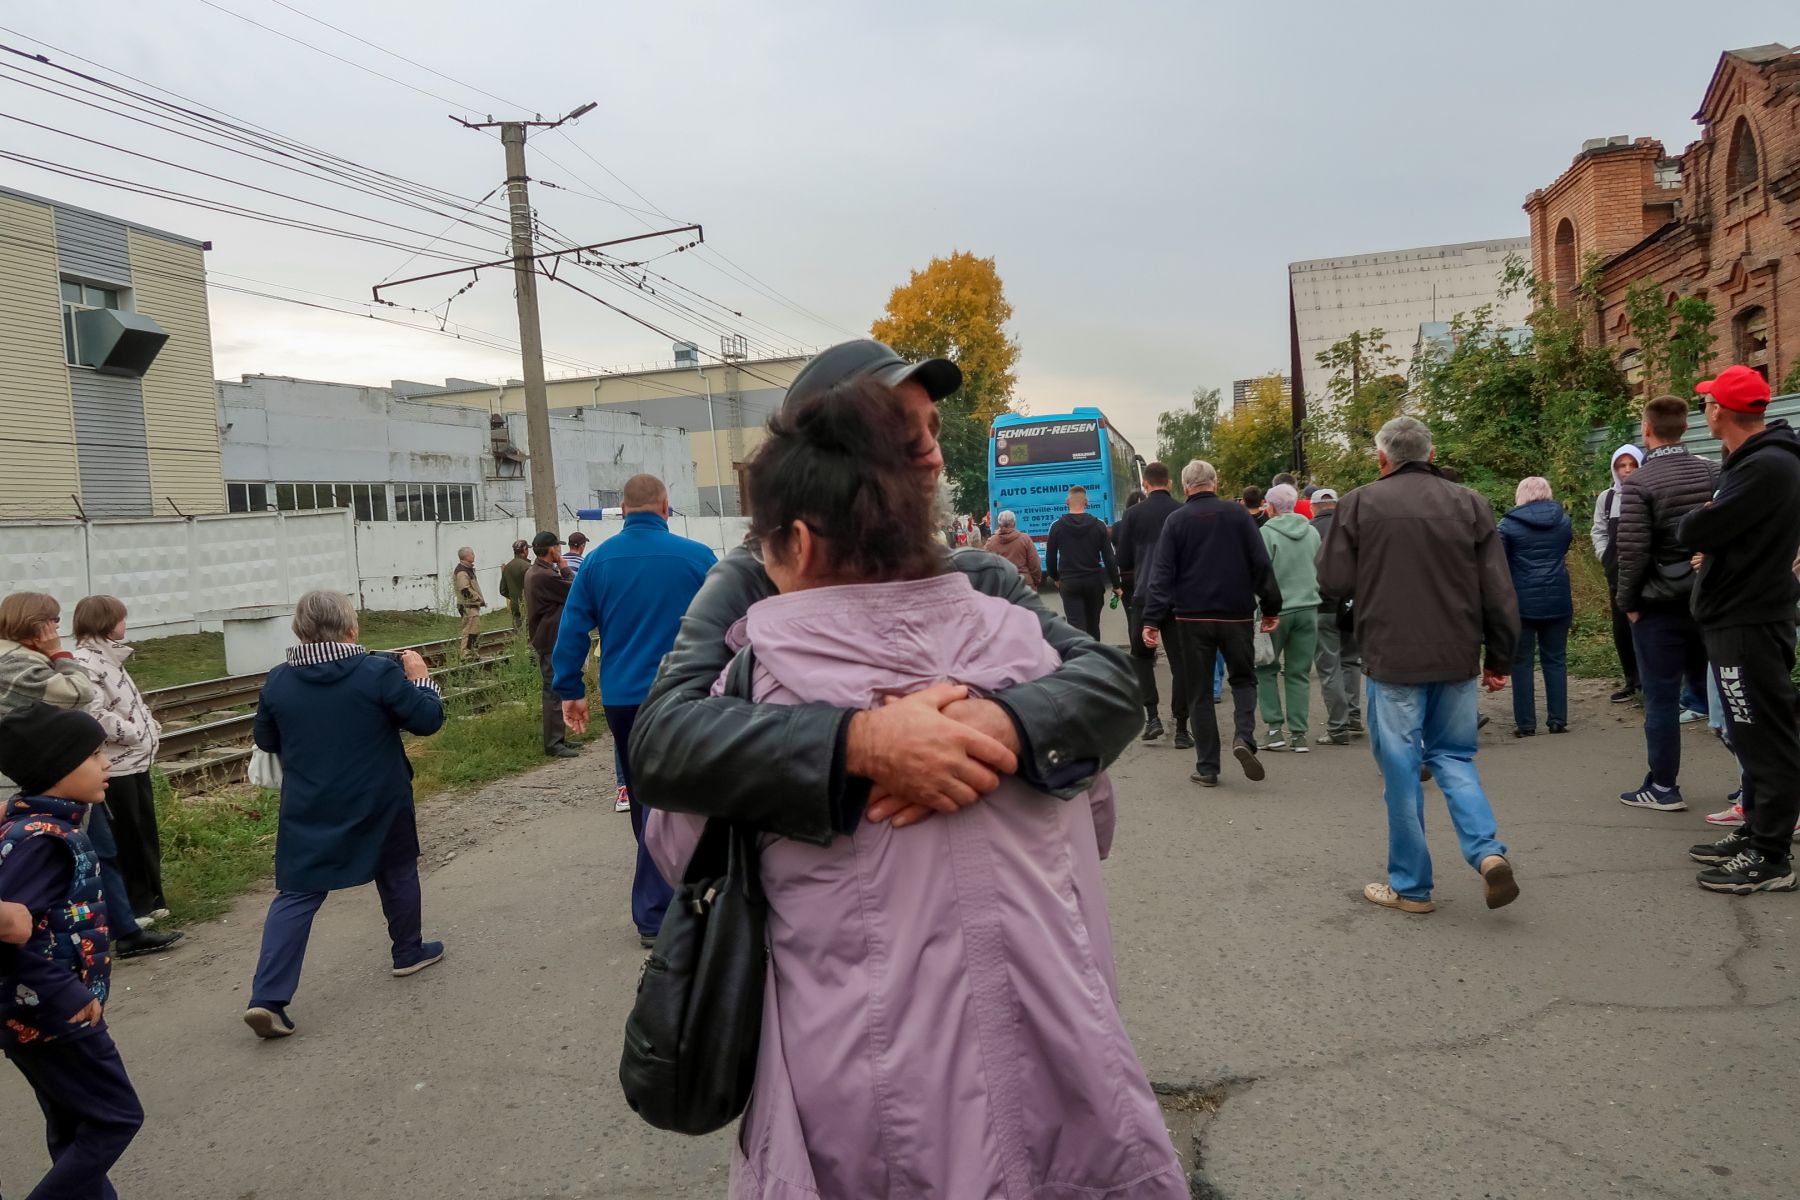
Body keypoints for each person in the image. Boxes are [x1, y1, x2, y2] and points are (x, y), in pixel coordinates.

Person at [642, 377, 1185, 1199]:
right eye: (915, 436)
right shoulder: (1029, 651)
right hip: (1062, 1052)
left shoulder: (757, 685)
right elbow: (1093, 820)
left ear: (793, 540)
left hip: (857, 1087)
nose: (931, 449)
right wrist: (882, 741)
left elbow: (685, 845)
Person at [628, 339, 1137, 867]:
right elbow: (662, 741)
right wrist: (863, 744)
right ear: (827, 457)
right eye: (904, 434)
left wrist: (1002, 723)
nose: (935, 456)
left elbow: (1109, 682)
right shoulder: (748, 579)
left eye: (933, 432)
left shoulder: (978, 577)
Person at [1316, 416, 1521, 916]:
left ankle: (1411, 887)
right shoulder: (1470, 503)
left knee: (1402, 771)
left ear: (1383, 459)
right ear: (1431, 455)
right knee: (1454, 757)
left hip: (1390, 657)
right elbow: (1497, 588)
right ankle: (1487, 852)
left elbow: (1332, 581)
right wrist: (1498, 657)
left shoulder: (1360, 503)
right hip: (1455, 654)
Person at [242, 591, 447, 1039]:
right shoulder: (376, 672)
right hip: (378, 798)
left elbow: (267, 739)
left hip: (309, 804)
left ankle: (268, 999)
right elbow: (427, 720)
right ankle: (408, 952)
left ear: (299, 631)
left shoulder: (278, 681)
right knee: (395, 869)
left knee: (297, 895)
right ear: (351, 630)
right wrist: (420, 679)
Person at [554, 474, 716, 948]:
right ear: (666, 507)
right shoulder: (699, 557)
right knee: (688, 795)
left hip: (624, 698)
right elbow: (733, 625)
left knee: (644, 793)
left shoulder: (597, 563)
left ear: (623, 510)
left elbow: (572, 631)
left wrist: (570, 689)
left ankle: (660, 899)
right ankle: (665, 905)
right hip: (688, 694)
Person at [0, 703, 144, 1197]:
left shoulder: (36, 829)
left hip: (38, 1013)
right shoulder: (44, 841)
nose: (106, 763)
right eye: (94, 754)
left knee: (73, 1129)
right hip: (56, 1015)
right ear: (57, 770)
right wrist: (66, 994)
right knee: (116, 1118)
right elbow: (10, 939)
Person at [0, 593, 179, 960]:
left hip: (61, 774)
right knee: (53, 855)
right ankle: (45, 943)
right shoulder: (12, 663)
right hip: (35, 781)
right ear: (33, 625)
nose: (56, 628)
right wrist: (59, 654)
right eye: (51, 621)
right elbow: (78, 695)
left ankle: (122, 929)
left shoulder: (25, 660)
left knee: (99, 850)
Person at [1678, 366, 1800, 893]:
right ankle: (1757, 830)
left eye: (1707, 403)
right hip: (1741, 615)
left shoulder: (1765, 466)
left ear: (1720, 412)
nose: (1704, 410)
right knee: (1751, 734)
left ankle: (1772, 856)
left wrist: (1702, 519)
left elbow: (1697, 528)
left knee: (1763, 734)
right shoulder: (1754, 463)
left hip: (1749, 617)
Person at [1141, 459, 1281, 787]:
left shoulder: (1176, 521)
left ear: (1186, 486)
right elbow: (1261, 564)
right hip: (1236, 613)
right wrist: (1272, 606)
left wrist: (1152, 619)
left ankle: (1207, 767)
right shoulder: (1239, 517)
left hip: (1192, 617)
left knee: (1199, 691)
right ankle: (1243, 737)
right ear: (1215, 483)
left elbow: (1162, 575)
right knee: (1244, 679)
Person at [1614, 395, 1717, 813]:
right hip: (1708, 599)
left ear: (1646, 430)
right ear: (1686, 427)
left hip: (1658, 608)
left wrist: (1629, 603)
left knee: (1660, 698)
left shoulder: (1639, 483)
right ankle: (1754, 783)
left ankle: (1663, 786)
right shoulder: (1714, 471)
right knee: (1720, 693)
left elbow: (1632, 552)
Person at [72, 595, 170, 921]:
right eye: (120, 618)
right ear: (105, 622)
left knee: (144, 831)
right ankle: (136, 905)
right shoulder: (86, 662)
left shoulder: (111, 658)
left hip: (135, 761)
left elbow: (130, 704)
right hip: (114, 765)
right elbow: (94, 714)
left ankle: (153, 899)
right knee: (125, 837)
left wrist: (148, 727)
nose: (124, 624)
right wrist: (134, 733)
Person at [1113, 462, 1190, 745]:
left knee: (1141, 658)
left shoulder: (1132, 515)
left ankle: (1153, 716)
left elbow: (1122, 560)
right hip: (1178, 597)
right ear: (1169, 483)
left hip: (1145, 595)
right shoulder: (1181, 511)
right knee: (1180, 662)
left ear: (1145, 484)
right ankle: (1181, 727)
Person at [1500, 478, 1574, 737]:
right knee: (1555, 660)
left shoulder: (1508, 525)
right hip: (1558, 597)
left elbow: (1501, 561)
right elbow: (1564, 548)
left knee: (1522, 662)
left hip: (1522, 602)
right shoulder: (1563, 521)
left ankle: (1525, 724)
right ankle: (1557, 720)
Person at [1256, 483, 1322, 752]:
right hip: (1309, 609)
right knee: (1298, 673)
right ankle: (1299, 734)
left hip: (1276, 611)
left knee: (1265, 669)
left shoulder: (1265, 534)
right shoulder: (1312, 532)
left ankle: (1274, 729)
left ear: (1270, 507)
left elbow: (1260, 575)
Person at [1590, 445, 1644, 702]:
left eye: (1631, 464)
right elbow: (1598, 530)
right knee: (1621, 627)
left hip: (1645, 573)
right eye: (1621, 466)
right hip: (1616, 573)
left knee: (1645, 624)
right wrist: (1604, 555)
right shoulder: (1607, 498)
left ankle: (1650, 680)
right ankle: (1631, 680)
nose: (1627, 470)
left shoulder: (1647, 492)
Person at [1310, 488, 1363, 745]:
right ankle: (1353, 715)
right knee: (1351, 661)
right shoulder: (1352, 528)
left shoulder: (1311, 531)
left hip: (1323, 605)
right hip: (1353, 603)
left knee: (1329, 666)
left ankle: (1337, 726)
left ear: (1313, 507)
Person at [523, 532, 578, 760]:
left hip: (548, 637)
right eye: (557, 547)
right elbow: (576, 589)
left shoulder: (537, 572)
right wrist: (565, 566)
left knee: (557, 688)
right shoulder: (544, 576)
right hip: (549, 639)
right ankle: (554, 743)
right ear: (551, 549)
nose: (560, 551)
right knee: (553, 690)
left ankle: (559, 737)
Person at [1044, 485, 1120, 639]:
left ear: (1067, 502)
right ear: (1086, 502)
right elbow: (1109, 557)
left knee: (1076, 627)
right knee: (1093, 625)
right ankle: (1095, 656)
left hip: (1070, 583)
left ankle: (1080, 658)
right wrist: (1116, 585)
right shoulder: (1099, 526)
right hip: (1093, 583)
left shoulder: (1056, 527)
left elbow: (1050, 558)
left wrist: (1056, 578)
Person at [984, 509, 1042, 589]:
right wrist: (1035, 581)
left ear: (999, 524)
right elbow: (1035, 564)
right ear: (1014, 524)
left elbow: (986, 567)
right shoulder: (1025, 539)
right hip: (1024, 585)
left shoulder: (990, 542)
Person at [452, 546, 483, 653]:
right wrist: (476, 597)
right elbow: (464, 589)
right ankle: (466, 653)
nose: (474, 556)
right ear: (466, 556)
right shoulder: (462, 571)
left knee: (474, 630)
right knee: (469, 630)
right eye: (472, 554)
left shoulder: (467, 569)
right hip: (468, 606)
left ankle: (472, 652)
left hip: (471, 606)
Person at [498, 538, 531, 630]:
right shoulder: (527, 566)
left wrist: (514, 597)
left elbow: (502, 590)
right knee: (530, 636)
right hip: (529, 607)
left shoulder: (507, 567)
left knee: (519, 636)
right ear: (524, 550)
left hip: (515, 607)